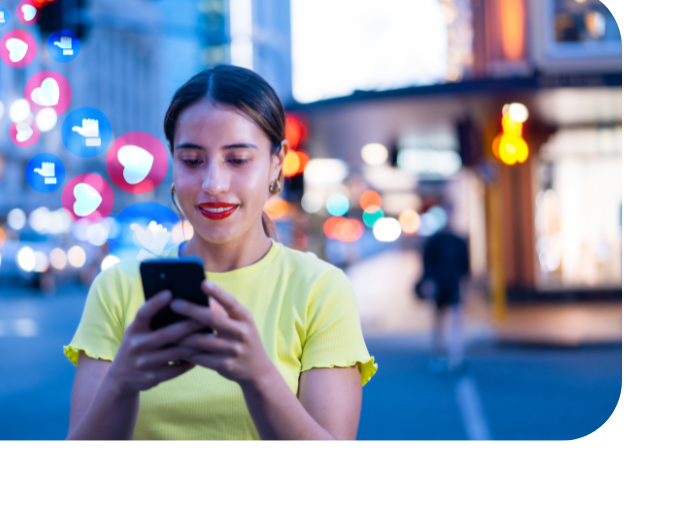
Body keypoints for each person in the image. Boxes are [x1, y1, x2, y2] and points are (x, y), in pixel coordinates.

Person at [64, 65, 376, 441]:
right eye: (192, 161)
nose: (213, 183)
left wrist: (258, 376)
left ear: (277, 163)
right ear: (173, 163)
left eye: (238, 159)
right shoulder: (117, 289)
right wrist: (121, 384)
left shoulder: (320, 290)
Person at [416, 213, 469, 373]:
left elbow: (465, 266)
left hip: (453, 286)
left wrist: (466, 285)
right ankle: (439, 355)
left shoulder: (458, 241)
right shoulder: (434, 241)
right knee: (439, 321)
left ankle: (456, 355)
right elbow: (427, 265)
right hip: (439, 286)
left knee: (456, 320)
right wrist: (429, 282)